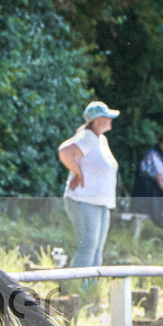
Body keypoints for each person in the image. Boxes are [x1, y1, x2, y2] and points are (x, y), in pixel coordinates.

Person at [57, 101, 119, 267]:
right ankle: (76, 282)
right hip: (84, 201)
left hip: (100, 203)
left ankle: (92, 283)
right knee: (87, 249)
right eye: (107, 116)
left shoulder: (101, 140)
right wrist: (78, 173)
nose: (111, 119)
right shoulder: (87, 137)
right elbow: (64, 152)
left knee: (97, 250)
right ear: (97, 120)